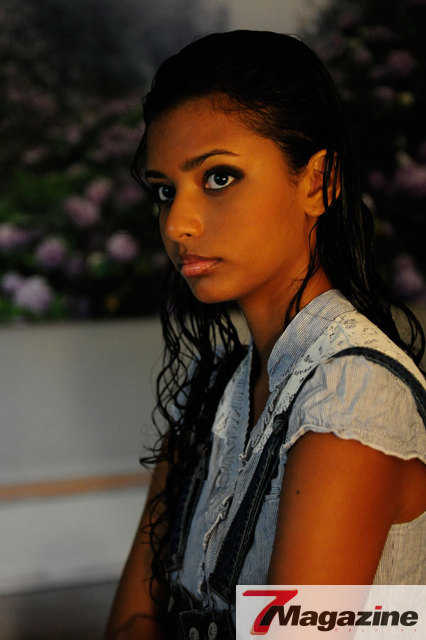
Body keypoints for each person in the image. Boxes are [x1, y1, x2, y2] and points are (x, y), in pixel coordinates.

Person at [105, 30, 426, 640]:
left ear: (318, 183)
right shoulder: (209, 390)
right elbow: (132, 621)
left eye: (219, 177)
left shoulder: (351, 399)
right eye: (165, 191)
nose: (177, 224)